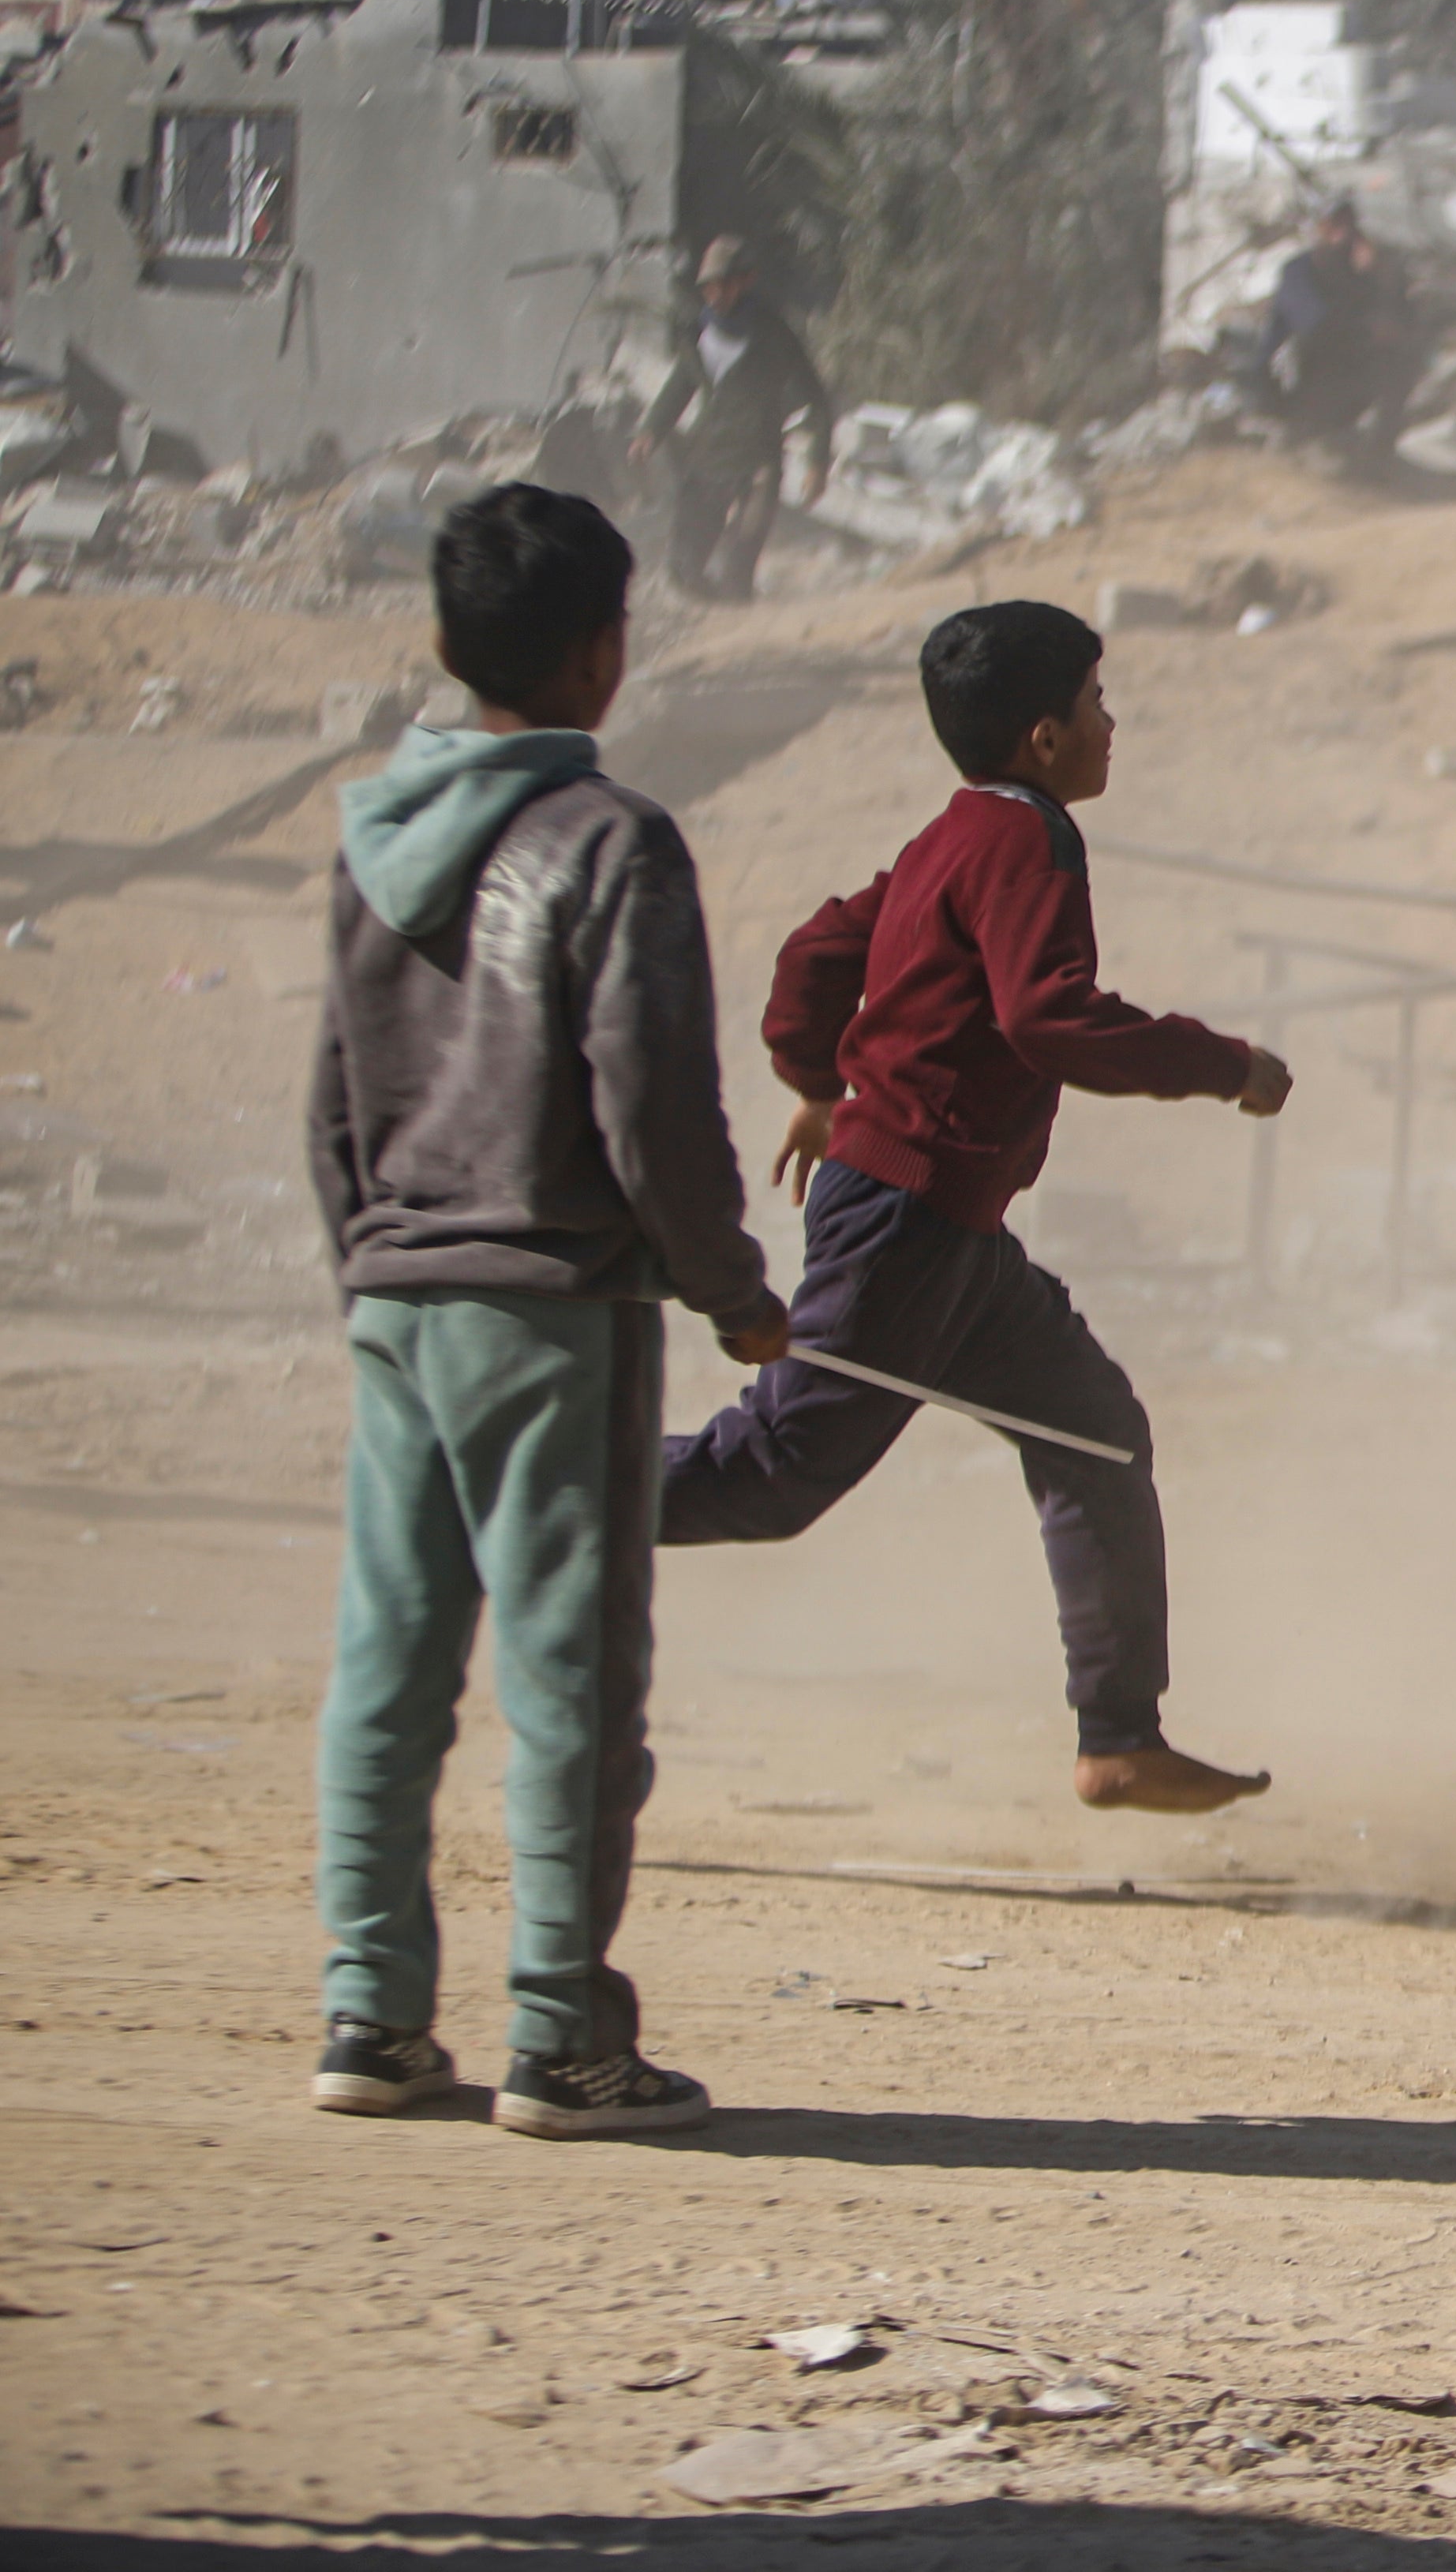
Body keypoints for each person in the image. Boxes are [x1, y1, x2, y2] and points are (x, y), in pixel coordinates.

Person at [307, 483, 788, 2139]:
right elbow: (653, 1099)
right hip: (556, 1304)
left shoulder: (371, 840)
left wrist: (368, 1265)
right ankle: (562, 2034)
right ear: (604, 649)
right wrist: (732, 1293)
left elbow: (332, 1102)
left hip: (398, 1293)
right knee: (573, 1680)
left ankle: (369, 2013)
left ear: (452, 648)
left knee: (389, 1665)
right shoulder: (611, 842)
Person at [657, 601, 1293, 1813]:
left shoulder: (947, 837)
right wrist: (1225, 1065)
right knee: (779, 1471)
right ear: (1046, 737)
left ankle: (1118, 1738)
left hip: (950, 1231)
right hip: (905, 1221)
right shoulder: (1029, 842)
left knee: (1096, 1432)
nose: (1115, 724)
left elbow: (811, 959)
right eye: (1101, 702)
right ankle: (535, 1496)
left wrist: (812, 1083)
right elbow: (1047, 1015)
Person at [638, 238, 833, 601]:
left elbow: (817, 399)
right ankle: (713, 622)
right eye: (709, 287)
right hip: (709, 459)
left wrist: (818, 462)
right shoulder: (697, 335)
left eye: (725, 284)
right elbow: (679, 387)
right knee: (684, 569)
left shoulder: (772, 335)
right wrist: (651, 430)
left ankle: (741, 629)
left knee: (738, 566)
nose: (716, 294)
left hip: (759, 462)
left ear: (746, 281)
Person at [1265, 199, 1426, 462]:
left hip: (1358, 369)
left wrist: (1382, 280)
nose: (1344, 235)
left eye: (1348, 225)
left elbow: (1403, 314)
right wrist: (1366, 328)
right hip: (1312, 375)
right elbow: (1313, 324)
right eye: (1335, 226)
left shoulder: (1365, 269)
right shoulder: (1300, 271)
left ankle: (1377, 459)